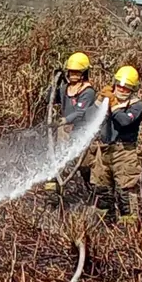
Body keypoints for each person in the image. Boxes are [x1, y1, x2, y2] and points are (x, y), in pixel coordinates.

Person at [91, 65, 142, 225]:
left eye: (126, 88)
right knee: (102, 191)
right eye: (119, 86)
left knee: (125, 193)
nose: (121, 90)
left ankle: (128, 231)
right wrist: (99, 101)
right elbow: (88, 117)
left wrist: (113, 104)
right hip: (104, 151)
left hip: (124, 153)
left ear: (132, 89)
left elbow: (124, 121)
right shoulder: (107, 101)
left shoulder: (137, 106)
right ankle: (103, 226)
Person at [43, 52, 97, 206]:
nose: (73, 75)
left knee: (84, 165)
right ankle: (54, 196)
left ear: (84, 73)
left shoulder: (88, 92)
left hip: (81, 132)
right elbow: (49, 99)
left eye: (77, 72)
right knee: (59, 158)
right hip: (64, 131)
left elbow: (81, 112)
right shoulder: (65, 88)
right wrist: (54, 85)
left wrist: (65, 119)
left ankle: (93, 192)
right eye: (71, 72)